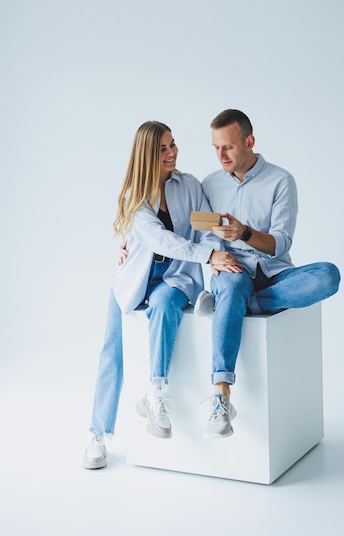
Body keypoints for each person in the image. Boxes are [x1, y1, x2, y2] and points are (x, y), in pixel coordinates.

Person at [82, 121, 240, 469]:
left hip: (174, 277)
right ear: (147, 155)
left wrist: (212, 254)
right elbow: (159, 240)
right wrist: (207, 256)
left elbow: (209, 230)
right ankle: (97, 434)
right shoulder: (133, 198)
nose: (172, 153)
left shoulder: (189, 186)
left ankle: (156, 393)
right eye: (163, 149)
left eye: (173, 145)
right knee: (112, 353)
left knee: (166, 302)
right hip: (135, 277)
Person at [193, 109, 341, 439]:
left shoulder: (281, 180)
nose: (221, 155)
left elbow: (280, 243)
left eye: (228, 147)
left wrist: (245, 233)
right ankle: (221, 397)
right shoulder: (209, 183)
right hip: (231, 270)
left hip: (273, 273)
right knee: (232, 286)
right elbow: (195, 229)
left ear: (249, 141)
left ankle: (248, 303)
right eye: (215, 148)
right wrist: (213, 258)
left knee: (328, 276)